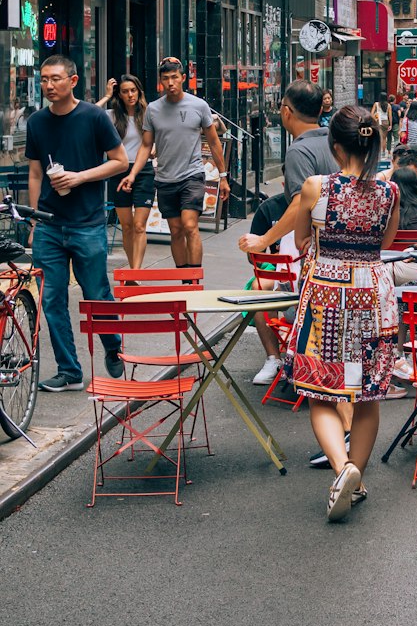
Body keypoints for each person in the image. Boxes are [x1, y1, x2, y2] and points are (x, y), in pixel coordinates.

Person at [289, 106, 400, 520]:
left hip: (326, 297)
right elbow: (385, 239)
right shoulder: (391, 192)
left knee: (320, 389)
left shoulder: (316, 187)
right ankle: (356, 476)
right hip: (374, 293)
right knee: (368, 395)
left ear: (336, 147)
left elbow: (301, 238)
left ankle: (343, 468)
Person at [26, 55, 129, 392]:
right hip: (49, 226)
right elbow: (36, 172)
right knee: (51, 297)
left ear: (72, 81)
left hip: (87, 222)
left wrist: (80, 177)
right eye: (43, 79)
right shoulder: (37, 122)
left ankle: (112, 346)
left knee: (96, 291)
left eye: (55, 79)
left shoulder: (94, 117)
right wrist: (33, 219)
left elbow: (120, 162)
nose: (48, 85)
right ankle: (69, 370)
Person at [238, 81, 338, 387]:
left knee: (262, 294)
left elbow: (298, 205)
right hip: (343, 255)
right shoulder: (338, 143)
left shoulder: (299, 150)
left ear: (286, 111)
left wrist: (264, 239)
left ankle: (282, 360)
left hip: (312, 257)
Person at [120, 56, 230, 267]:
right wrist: (132, 174)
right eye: (165, 78)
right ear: (160, 81)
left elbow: (215, 143)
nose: (170, 83)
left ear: (183, 78)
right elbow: (145, 145)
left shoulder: (199, 105)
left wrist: (223, 176)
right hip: (165, 178)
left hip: (192, 175)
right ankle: (183, 278)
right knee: (176, 231)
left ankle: (194, 279)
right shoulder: (153, 109)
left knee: (190, 226)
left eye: (174, 77)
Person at [104, 75, 155, 270]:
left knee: (139, 225)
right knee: (126, 226)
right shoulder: (112, 115)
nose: (130, 95)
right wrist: (107, 95)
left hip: (144, 171)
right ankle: (132, 270)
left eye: (133, 90)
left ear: (139, 91)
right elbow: (89, 113)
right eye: (125, 91)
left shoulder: (149, 113)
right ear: (120, 95)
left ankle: (135, 272)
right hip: (119, 171)